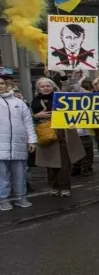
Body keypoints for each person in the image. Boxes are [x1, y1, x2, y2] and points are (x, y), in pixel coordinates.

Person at [32, 77, 86, 197]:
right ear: (38, 88)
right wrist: (36, 115)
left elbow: (66, 89)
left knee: (64, 161)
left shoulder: (60, 97)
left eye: (48, 86)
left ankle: (65, 187)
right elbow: (28, 118)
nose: (45, 88)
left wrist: (62, 76)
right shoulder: (34, 101)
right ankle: (54, 186)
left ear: (53, 87)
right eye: (42, 86)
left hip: (62, 132)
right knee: (50, 163)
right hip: (46, 133)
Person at [0, 76, 36, 210]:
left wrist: (32, 140)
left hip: (18, 144)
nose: (0, 86)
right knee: (1, 176)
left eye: (2, 83)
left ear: (6, 85)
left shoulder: (19, 102)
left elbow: (28, 123)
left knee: (20, 174)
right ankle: (3, 199)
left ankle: (21, 197)